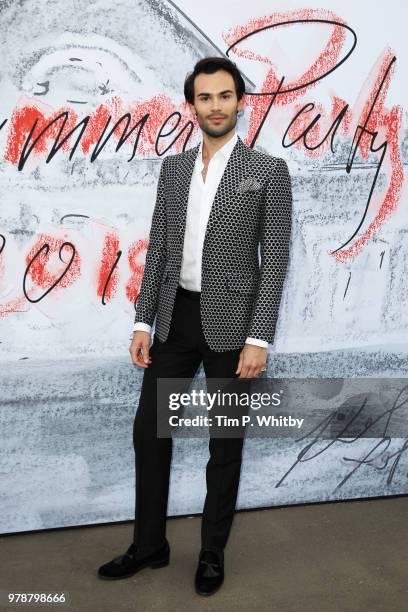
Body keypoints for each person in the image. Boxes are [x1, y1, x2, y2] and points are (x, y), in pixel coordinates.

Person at [98, 56, 293, 596]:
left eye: (224, 96)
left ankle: (211, 552)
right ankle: (149, 544)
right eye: (205, 97)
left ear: (239, 102)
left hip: (234, 329)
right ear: (192, 106)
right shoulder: (175, 169)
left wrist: (259, 337)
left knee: (224, 441)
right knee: (150, 432)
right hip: (175, 320)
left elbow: (273, 258)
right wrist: (143, 320)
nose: (215, 106)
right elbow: (159, 249)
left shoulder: (268, 172)